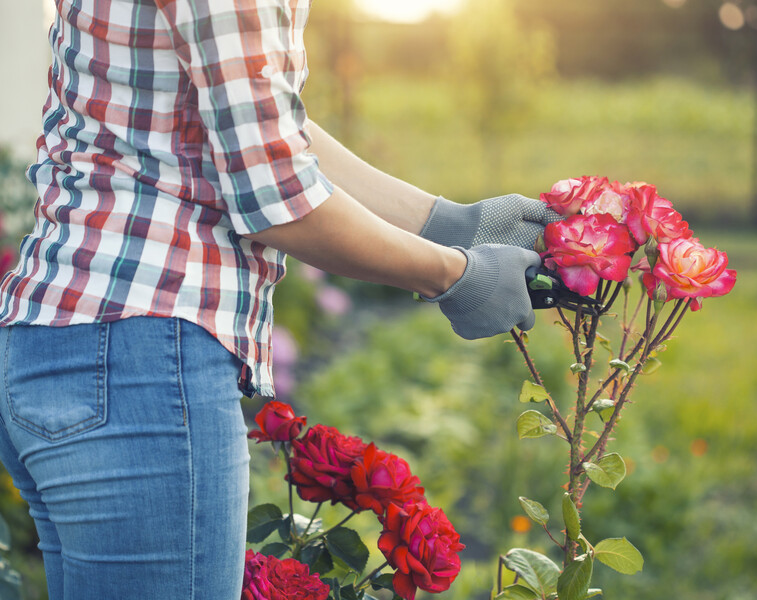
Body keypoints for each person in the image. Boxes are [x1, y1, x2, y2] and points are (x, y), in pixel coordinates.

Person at [0, 1, 560, 598]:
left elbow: (257, 121)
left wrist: (450, 223)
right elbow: (275, 200)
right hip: (142, 355)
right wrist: (455, 274)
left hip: (63, 333)